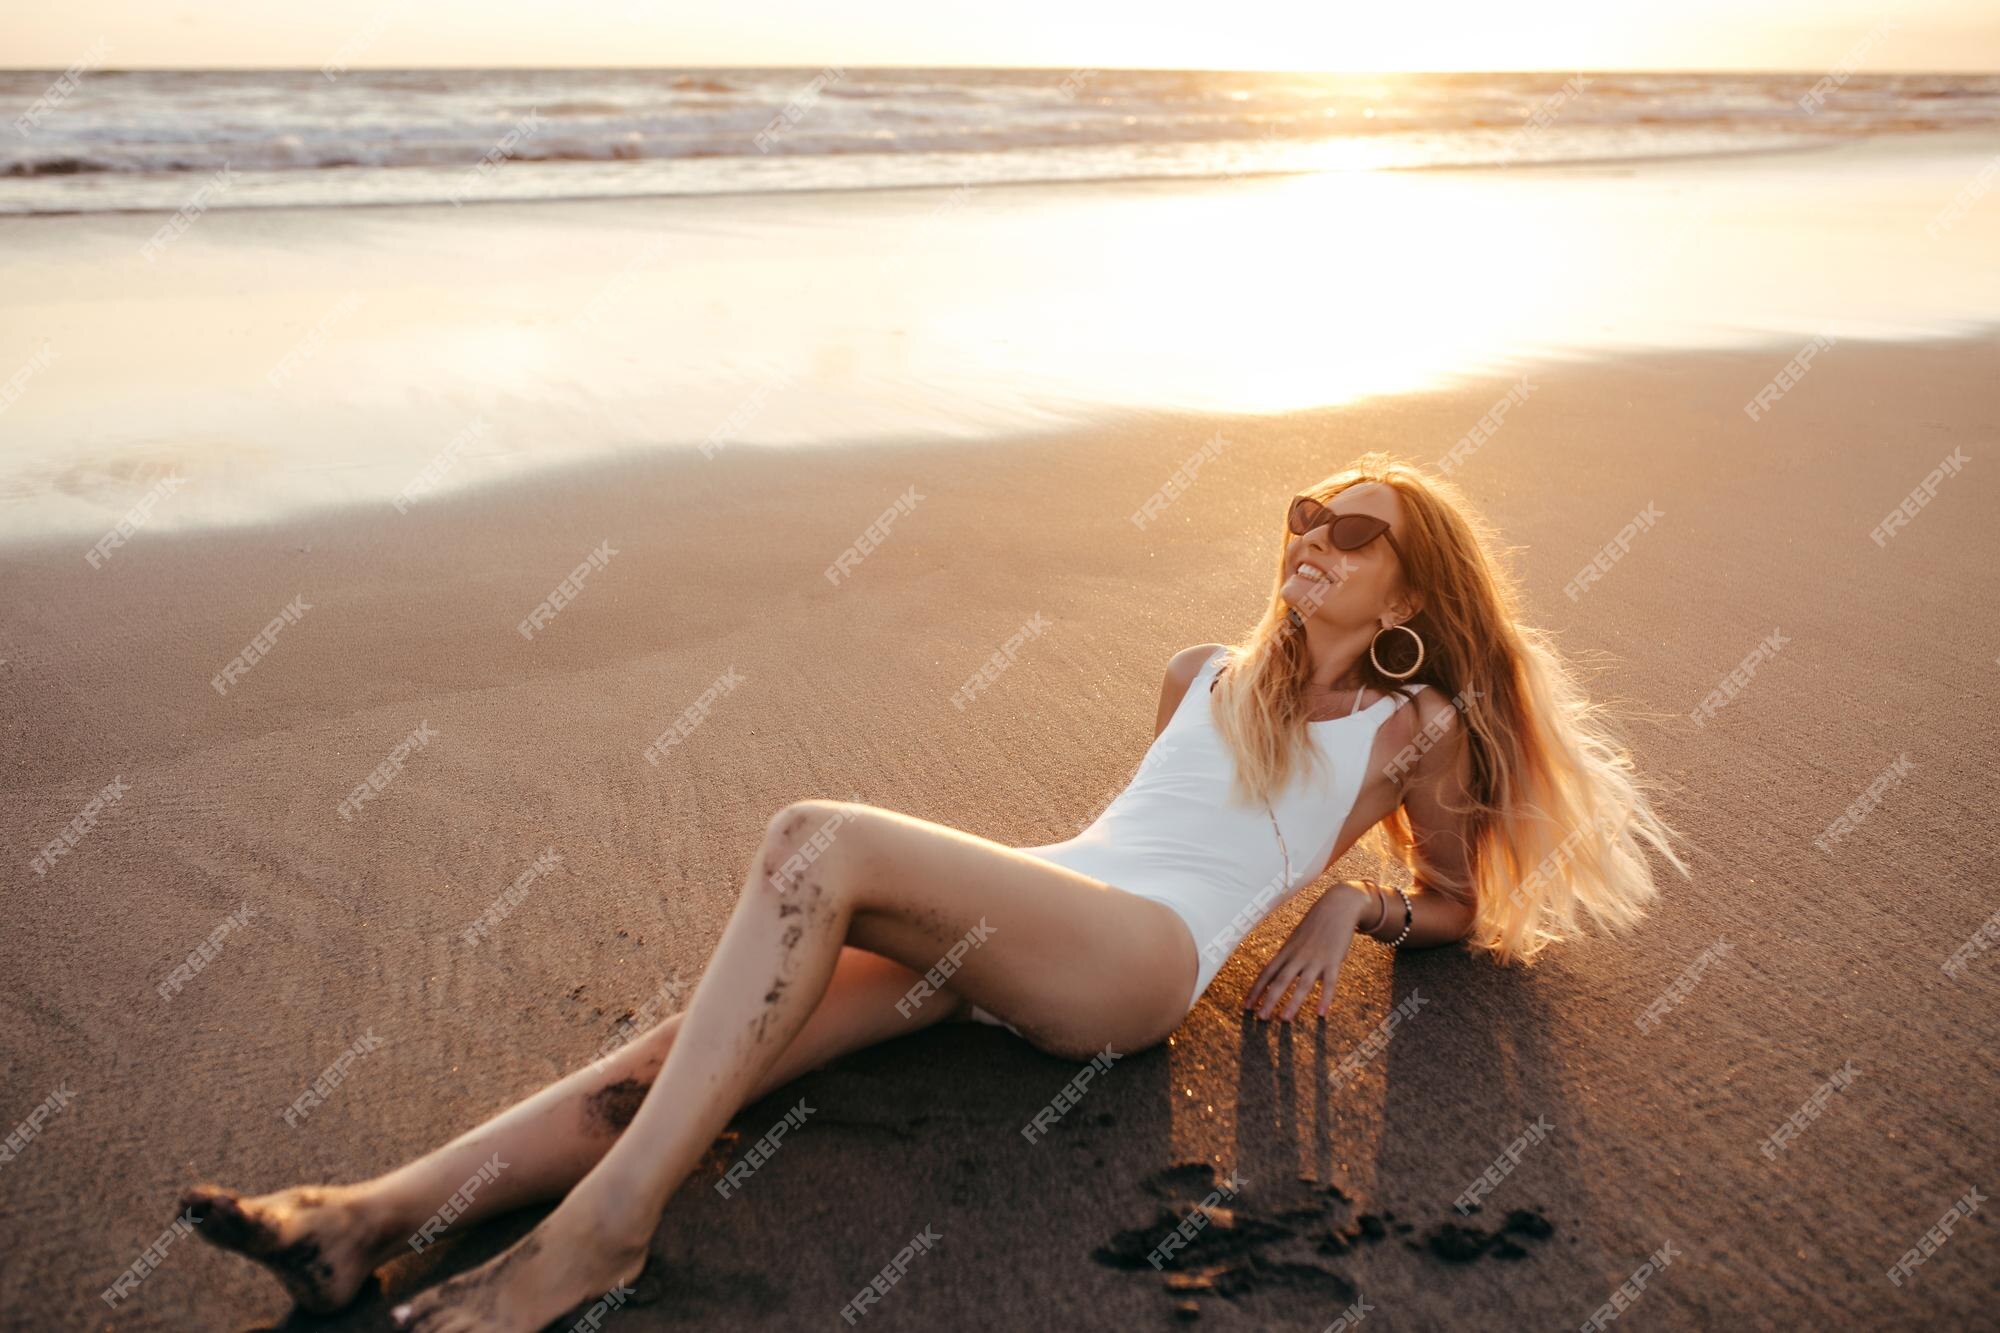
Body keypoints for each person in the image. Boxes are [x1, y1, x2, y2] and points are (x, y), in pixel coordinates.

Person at [179, 452, 1688, 1331]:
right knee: (680, 1052)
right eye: (1305, 510)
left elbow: (1457, 909)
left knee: (814, 836)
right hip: (1058, 908)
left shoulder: (1416, 729)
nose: (1314, 537)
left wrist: (1343, 905)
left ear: (1412, 593)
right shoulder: (1198, 675)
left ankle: (600, 1235)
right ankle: (360, 1217)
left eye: (1356, 531)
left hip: (1136, 968)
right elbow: (1147, 823)